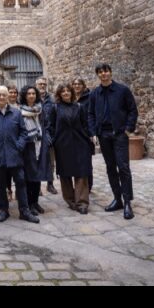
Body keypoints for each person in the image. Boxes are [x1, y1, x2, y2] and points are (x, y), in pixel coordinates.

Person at [0, 86, 39, 224]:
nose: (1, 97)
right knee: (0, 184)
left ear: (8, 96)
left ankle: (24, 211)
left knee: (21, 182)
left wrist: (19, 146)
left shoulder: (16, 113)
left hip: (15, 155)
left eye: (4, 95)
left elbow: (23, 132)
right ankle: (4, 209)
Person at [88, 63, 139, 220]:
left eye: (106, 71)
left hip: (119, 135)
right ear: (98, 75)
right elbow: (90, 114)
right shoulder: (95, 93)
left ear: (110, 72)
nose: (103, 74)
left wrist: (128, 129)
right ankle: (117, 199)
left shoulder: (122, 90)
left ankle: (127, 203)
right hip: (103, 135)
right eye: (100, 72)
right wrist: (93, 132)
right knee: (110, 167)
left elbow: (132, 110)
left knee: (123, 167)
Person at [49, 84, 93, 214]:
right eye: (63, 91)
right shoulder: (55, 108)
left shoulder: (79, 107)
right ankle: (71, 200)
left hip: (80, 143)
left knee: (82, 171)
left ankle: (82, 203)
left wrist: (89, 137)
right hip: (63, 144)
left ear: (72, 93)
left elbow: (86, 124)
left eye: (68, 91)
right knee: (65, 173)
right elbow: (51, 126)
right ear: (59, 94)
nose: (66, 93)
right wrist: (54, 140)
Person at [19, 85, 50, 216]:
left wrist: (47, 138)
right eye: (29, 94)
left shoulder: (40, 110)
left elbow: (46, 124)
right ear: (25, 96)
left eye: (33, 93)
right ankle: (29, 203)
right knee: (29, 176)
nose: (31, 96)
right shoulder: (20, 111)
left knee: (37, 175)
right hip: (28, 145)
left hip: (40, 144)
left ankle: (35, 202)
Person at [36, 76, 58, 195]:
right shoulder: (33, 98)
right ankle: (38, 186)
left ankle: (50, 184)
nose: (42, 86)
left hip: (50, 133)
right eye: (40, 84)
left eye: (44, 84)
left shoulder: (52, 99)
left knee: (51, 161)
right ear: (36, 85)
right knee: (37, 160)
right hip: (38, 134)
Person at [72, 78, 94, 191]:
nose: (77, 86)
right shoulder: (71, 98)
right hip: (73, 134)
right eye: (75, 84)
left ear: (83, 86)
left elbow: (92, 115)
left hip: (85, 133)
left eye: (79, 84)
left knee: (86, 160)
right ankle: (78, 186)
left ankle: (88, 186)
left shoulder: (89, 97)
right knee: (75, 160)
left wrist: (92, 133)